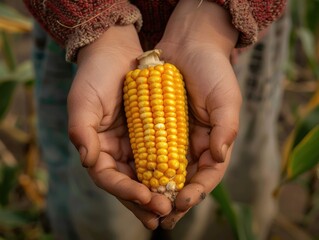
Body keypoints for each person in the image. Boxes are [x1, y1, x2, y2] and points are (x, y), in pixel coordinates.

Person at [24, 0, 288, 239]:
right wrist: (96, 25)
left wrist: (212, 23)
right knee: (102, 216)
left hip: (231, 28)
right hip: (84, 40)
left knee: (224, 197)